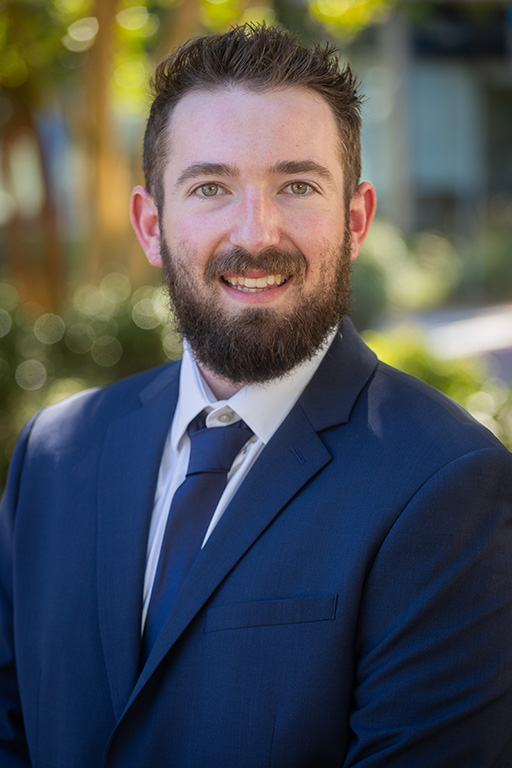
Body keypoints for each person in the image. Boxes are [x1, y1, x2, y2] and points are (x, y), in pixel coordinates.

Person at [1, 23, 511, 768]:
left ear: (357, 219)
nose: (256, 232)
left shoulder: (448, 485)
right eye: (211, 187)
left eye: (297, 186)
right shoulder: (53, 456)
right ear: (152, 224)